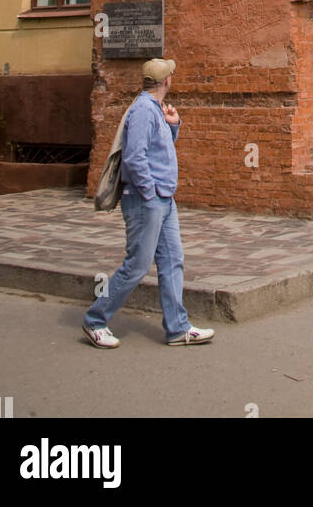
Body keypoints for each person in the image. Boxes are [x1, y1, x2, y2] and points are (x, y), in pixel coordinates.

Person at [83, 58, 215, 348]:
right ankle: (95, 320)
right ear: (167, 81)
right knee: (137, 266)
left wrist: (174, 124)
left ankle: (178, 328)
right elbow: (135, 157)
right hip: (148, 201)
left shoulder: (155, 109)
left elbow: (158, 150)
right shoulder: (143, 110)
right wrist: (150, 191)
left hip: (164, 200)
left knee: (171, 261)